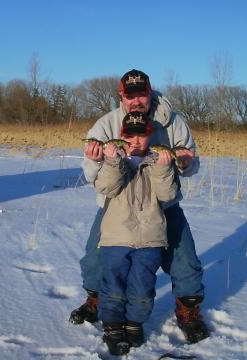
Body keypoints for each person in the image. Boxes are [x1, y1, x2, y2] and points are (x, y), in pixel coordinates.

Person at [71, 69, 209, 344]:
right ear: (121, 95)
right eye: (130, 95)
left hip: (163, 205)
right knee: (95, 258)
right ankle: (96, 300)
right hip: (117, 208)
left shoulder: (173, 122)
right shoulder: (106, 125)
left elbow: (191, 163)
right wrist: (99, 159)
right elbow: (91, 176)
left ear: (149, 93)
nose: (136, 101)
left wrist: (184, 162)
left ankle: (189, 311)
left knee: (185, 259)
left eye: (141, 95)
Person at [95, 111, 178, 355]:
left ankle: (134, 323)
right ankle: (111, 326)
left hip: (149, 239)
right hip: (116, 238)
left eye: (141, 135)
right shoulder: (114, 160)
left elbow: (168, 196)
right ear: (121, 136)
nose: (135, 140)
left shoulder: (156, 162)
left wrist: (164, 168)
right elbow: (106, 187)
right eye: (130, 134)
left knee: (143, 286)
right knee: (113, 285)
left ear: (149, 136)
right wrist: (111, 162)